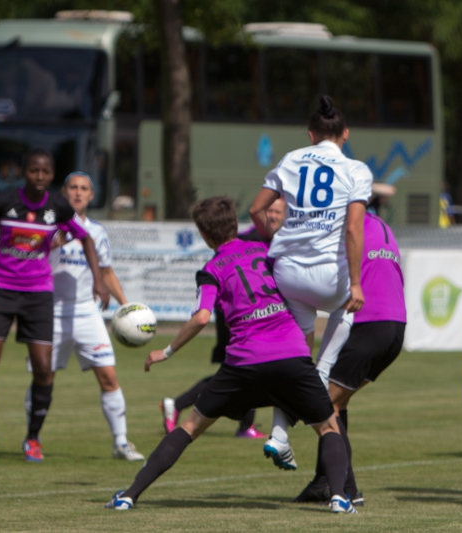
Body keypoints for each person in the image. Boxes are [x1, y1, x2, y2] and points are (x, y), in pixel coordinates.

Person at [105, 196, 356, 514]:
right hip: (290, 355)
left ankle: (129, 495)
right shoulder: (267, 252)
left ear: (205, 235)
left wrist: (166, 351)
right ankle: (338, 499)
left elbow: (200, 317)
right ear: (234, 224)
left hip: (244, 363)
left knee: (190, 427)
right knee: (328, 428)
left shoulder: (211, 269)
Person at [248, 95, 372, 470]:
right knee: (326, 353)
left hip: (287, 273)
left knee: (295, 358)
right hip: (329, 277)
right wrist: (356, 283)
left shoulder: (290, 159)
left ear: (310, 134)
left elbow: (256, 210)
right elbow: (353, 227)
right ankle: (318, 383)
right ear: (345, 134)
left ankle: (279, 435)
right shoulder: (356, 169)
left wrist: (276, 239)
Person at [0, 148, 110, 462]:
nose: (39, 177)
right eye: (34, 171)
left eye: (45, 172)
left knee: (44, 368)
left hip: (38, 294)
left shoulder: (58, 206)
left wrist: (98, 279)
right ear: (24, 172)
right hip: (1, 290)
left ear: (51, 175)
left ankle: (33, 438)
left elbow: (86, 237)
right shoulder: (4, 202)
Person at [22, 171, 143, 461]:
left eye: (84, 189)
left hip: (87, 313)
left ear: (91, 195)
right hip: (50, 312)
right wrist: (53, 241)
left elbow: (105, 272)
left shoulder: (97, 231)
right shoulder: (45, 224)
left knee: (109, 376)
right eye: (73, 187)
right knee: (43, 378)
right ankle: (32, 439)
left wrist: (125, 307)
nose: (78, 193)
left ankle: (121, 442)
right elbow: (25, 256)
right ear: (64, 193)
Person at [292, 209, 407, 506]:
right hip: (393, 324)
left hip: (369, 322)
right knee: (337, 402)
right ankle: (323, 481)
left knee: (324, 402)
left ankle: (347, 487)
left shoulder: (347, 226)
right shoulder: (379, 223)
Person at [160, 198, 288, 438]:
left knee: (242, 373)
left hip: (256, 319)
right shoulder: (252, 241)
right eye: (269, 210)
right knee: (244, 371)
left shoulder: (274, 242)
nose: (272, 216)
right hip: (239, 318)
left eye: (277, 212)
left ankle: (239, 423)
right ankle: (183, 408)